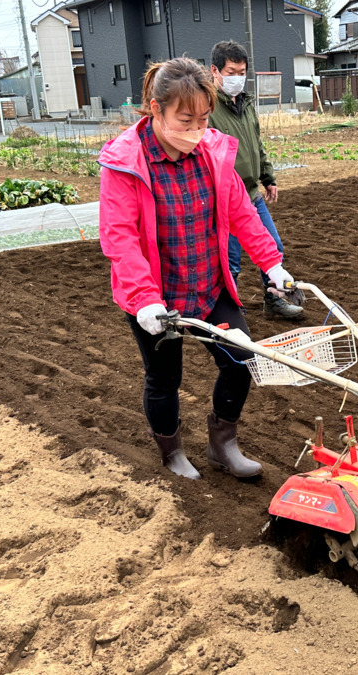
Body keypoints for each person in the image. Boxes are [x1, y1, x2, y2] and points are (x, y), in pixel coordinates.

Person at [98, 57, 296, 480]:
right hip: (156, 296)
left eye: (204, 119)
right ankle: (171, 454)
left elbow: (242, 212)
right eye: (185, 120)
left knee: (241, 360)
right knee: (165, 377)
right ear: (156, 110)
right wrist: (145, 301)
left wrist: (272, 263)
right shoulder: (126, 163)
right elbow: (120, 239)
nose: (197, 130)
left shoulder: (211, 153)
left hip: (208, 283)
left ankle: (222, 444)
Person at [207, 40, 303, 320]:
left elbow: (255, 144)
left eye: (242, 71)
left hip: (251, 193)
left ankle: (273, 302)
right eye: (231, 71)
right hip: (224, 200)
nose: (237, 77)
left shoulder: (246, 104)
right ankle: (227, 314)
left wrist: (268, 176)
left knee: (273, 248)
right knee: (231, 261)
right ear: (215, 70)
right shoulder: (208, 108)